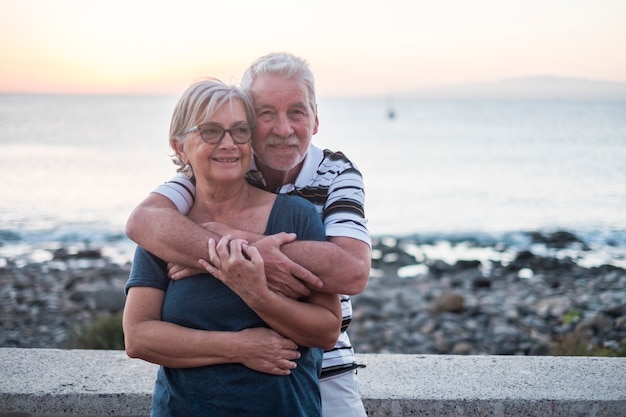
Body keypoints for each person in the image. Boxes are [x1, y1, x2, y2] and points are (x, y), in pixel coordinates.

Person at [125, 52, 371, 417]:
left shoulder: (335, 174)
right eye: (267, 113)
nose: (283, 129)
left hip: (324, 365)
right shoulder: (219, 165)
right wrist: (230, 257)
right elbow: (144, 222)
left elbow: (351, 272)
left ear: (316, 119)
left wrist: (235, 244)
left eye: (297, 112)